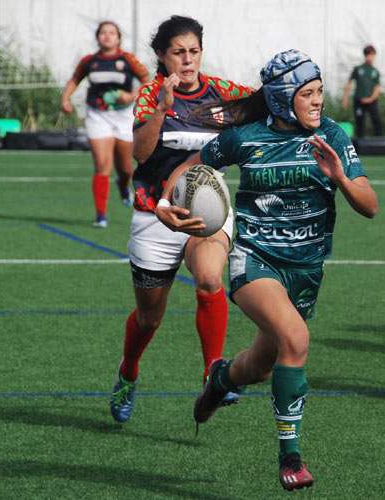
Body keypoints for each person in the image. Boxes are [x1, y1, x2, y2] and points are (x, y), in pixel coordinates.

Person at [157, 49, 378, 491]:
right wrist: (166, 205)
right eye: (308, 94)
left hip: (306, 270)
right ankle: (290, 457)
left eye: (320, 92)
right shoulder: (246, 137)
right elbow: (190, 168)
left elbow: (370, 206)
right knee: (296, 339)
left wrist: (339, 176)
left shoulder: (332, 136)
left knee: (260, 365)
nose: (318, 101)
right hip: (255, 259)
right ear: (281, 98)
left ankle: (221, 378)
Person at [107, 15, 254, 424]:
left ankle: (213, 373)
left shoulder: (223, 92)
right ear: (161, 56)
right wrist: (162, 111)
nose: (187, 61)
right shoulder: (152, 94)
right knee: (149, 317)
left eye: (193, 51)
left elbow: (265, 103)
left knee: (209, 278)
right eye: (178, 52)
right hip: (154, 213)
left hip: (207, 206)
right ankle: (128, 371)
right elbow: (139, 154)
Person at [61, 21, 151, 228]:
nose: (107, 36)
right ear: (98, 37)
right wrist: (65, 99)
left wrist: (131, 96)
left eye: (112, 33)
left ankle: (122, 186)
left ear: (118, 38)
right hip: (97, 115)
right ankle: (101, 215)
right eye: (103, 32)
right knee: (102, 165)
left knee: (126, 167)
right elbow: (75, 80)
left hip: (124, 116)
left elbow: (149, 82)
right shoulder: (89, 61)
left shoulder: (128, 59)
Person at [342, 44, 382, 137]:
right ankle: (359, 145)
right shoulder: (358, 69)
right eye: (368, 55)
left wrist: (371, 99)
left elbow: (377, 88)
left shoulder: (375, 71)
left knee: (376, 120)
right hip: (359, 100)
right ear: (365, 55)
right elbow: (349, 83)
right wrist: (345, 99)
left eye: (372, 55)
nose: (370, 57)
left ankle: (379, 141)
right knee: (359, 121)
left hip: (372, 101)